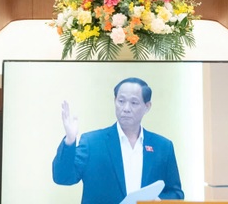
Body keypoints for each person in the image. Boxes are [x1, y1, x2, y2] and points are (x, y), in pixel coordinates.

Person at [53, 77, 183, 204]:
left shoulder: (163, 147)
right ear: (115, 101)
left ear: (147, 106)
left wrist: (158, 202)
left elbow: (176, 193)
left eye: (134, 103)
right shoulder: (92, 143)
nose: (126, 108)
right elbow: (63, 177)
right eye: (121, 101)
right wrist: (70, 140)